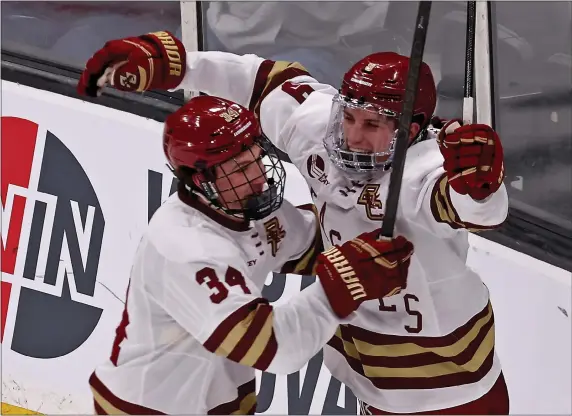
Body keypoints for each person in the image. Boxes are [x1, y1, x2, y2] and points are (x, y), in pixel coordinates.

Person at [77, 30, 510, 414]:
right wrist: (178, 66)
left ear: (413, 129)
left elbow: (475, 210)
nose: (353, 136)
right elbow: (260, 81)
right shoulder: (315, 132)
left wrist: (482, 186)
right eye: (350, 117)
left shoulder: (429, 169)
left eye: (374, 124)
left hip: (447, 378)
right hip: (363, 370)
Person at [84, 93, 414, 415]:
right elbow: (275, 347)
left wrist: (378, 212)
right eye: (240, 170)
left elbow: (320, 243)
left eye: (258, 159)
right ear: (201, 180)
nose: (258, 178)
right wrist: (341, 286)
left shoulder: (250, 210)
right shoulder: (185, 249)